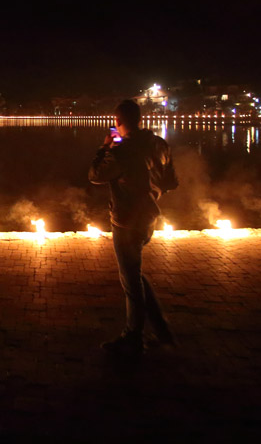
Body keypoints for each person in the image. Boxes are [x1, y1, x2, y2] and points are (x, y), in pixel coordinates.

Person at [89, 99, 178, 357]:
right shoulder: (158, 144)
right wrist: (152, 190)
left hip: (127, 220)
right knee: (135, 273)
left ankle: (133, 337)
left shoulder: (122, 150)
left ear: (117, 121)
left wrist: (105, 148)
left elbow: (95, 175)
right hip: (150, 216)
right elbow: (171, 181)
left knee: (130, 279)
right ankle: (162, 331)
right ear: (139, 119)